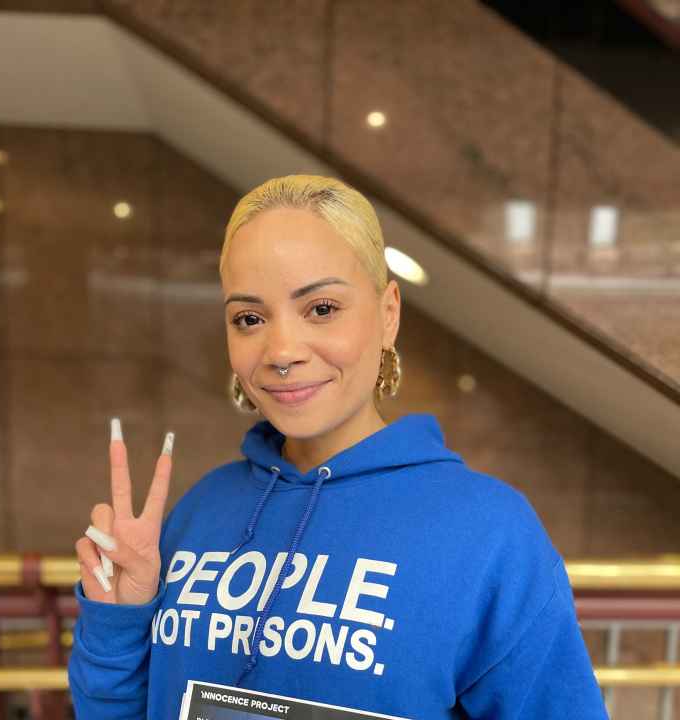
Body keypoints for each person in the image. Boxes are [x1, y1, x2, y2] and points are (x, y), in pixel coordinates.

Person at [69, 174, 609, 719]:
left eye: (321, 308)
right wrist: (119, 621)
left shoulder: (491, 535)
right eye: (249, 319)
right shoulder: (201, 510)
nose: (281, 350)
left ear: (388, 313)